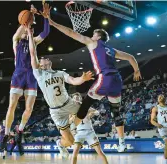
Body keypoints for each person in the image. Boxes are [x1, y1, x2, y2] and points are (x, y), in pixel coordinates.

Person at [48, 9, 141, 152]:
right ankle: (122, 143)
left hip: (105, 78)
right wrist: (136, 71)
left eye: (94, 34)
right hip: (117, 80)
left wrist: (53, 23)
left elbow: (71, 33)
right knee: (116, 111)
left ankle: (72, 131)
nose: (92, 36)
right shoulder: (111, 49)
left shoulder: (93, 43)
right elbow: (131, 57)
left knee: (85, 104)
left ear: (98, 37)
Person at [26, 19, 94, 158]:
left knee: (87, 108)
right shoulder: (39, 74)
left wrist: (83, 79)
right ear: (41, 64)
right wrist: (29, 33)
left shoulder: (60, 73)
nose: (44, 59)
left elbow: (73, 80)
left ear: (49, 63)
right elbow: (33, 54)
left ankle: (73, 126)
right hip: (55, 111)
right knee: (70, 141)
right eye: (42, 58)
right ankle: (60, 144)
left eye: (45, 58)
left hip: (68, 103)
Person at [2, 4, 51, 149]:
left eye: (28, 28)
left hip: (31, 75)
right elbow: (19, 31)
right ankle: (6, 132)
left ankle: (20, 130)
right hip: (19, 73)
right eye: (25, 28)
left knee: (29, 109)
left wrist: (45, 18)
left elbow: (46, 31)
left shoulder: (34, 42)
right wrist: (30, 15)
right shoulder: (16, 41)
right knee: (12, 105)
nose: (26, 30)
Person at [69, 94, 108, 164]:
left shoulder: (86, 107)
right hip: (79, 133)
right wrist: (74, 117)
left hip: (90, 132)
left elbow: (97, 112)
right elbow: (69, 121)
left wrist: (92, 113)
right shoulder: (71, 111)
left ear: (80, 99)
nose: (77, 99)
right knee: (74, 153)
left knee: (99, 152)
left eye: (78, 98)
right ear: (73, 100)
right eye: (75, 98)